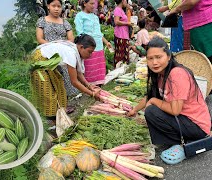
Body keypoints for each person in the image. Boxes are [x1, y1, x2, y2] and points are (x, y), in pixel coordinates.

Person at [127, 37, 211, 165]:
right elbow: (150, 96)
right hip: (184, 120)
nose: (154, 62)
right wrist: (134, 110)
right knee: (152, 110)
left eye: (158, 57)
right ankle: (179, 139)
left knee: (152, 111)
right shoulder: (160, 74)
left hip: (197, 125)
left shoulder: (177, 74)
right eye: (150, 58)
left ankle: (183, 143)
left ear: (168, 56)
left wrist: (155, 101)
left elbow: (175, 110)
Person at [31, 34, 101, 128]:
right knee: (49, 94)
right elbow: (74, 82)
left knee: (61, 91)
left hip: (50, 64)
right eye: (89, 52)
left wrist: (89, 86)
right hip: (40, 62)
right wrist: (91, 94)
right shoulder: (71, 53)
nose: (90, 55)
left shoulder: (76, 52)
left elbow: (78, 73)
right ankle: (53, 126)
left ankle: (60, 120)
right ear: (81, 47)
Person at [74, 0, 112, 85]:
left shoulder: (95, 17)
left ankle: (98, 85)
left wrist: (106, 42)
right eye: (91, 4)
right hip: (88, 47)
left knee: (98, 67)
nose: (93, 6)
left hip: (99, 46)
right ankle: (88, 86)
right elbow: (80, 33)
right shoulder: (80, 16)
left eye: (94, 4)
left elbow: (98, 33)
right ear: (84, 3)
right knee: (90, 68)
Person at [113, 0, 132, 67]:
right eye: (126, 2)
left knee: (124, 55)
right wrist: (127, 23)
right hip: (120, 35)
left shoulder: (121, 10)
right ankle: (118, 71)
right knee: (120, 55)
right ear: (123, 0)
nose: (126, 3)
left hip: (124, 35)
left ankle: (122, 70)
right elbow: (116, 22)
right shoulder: (117, 9)